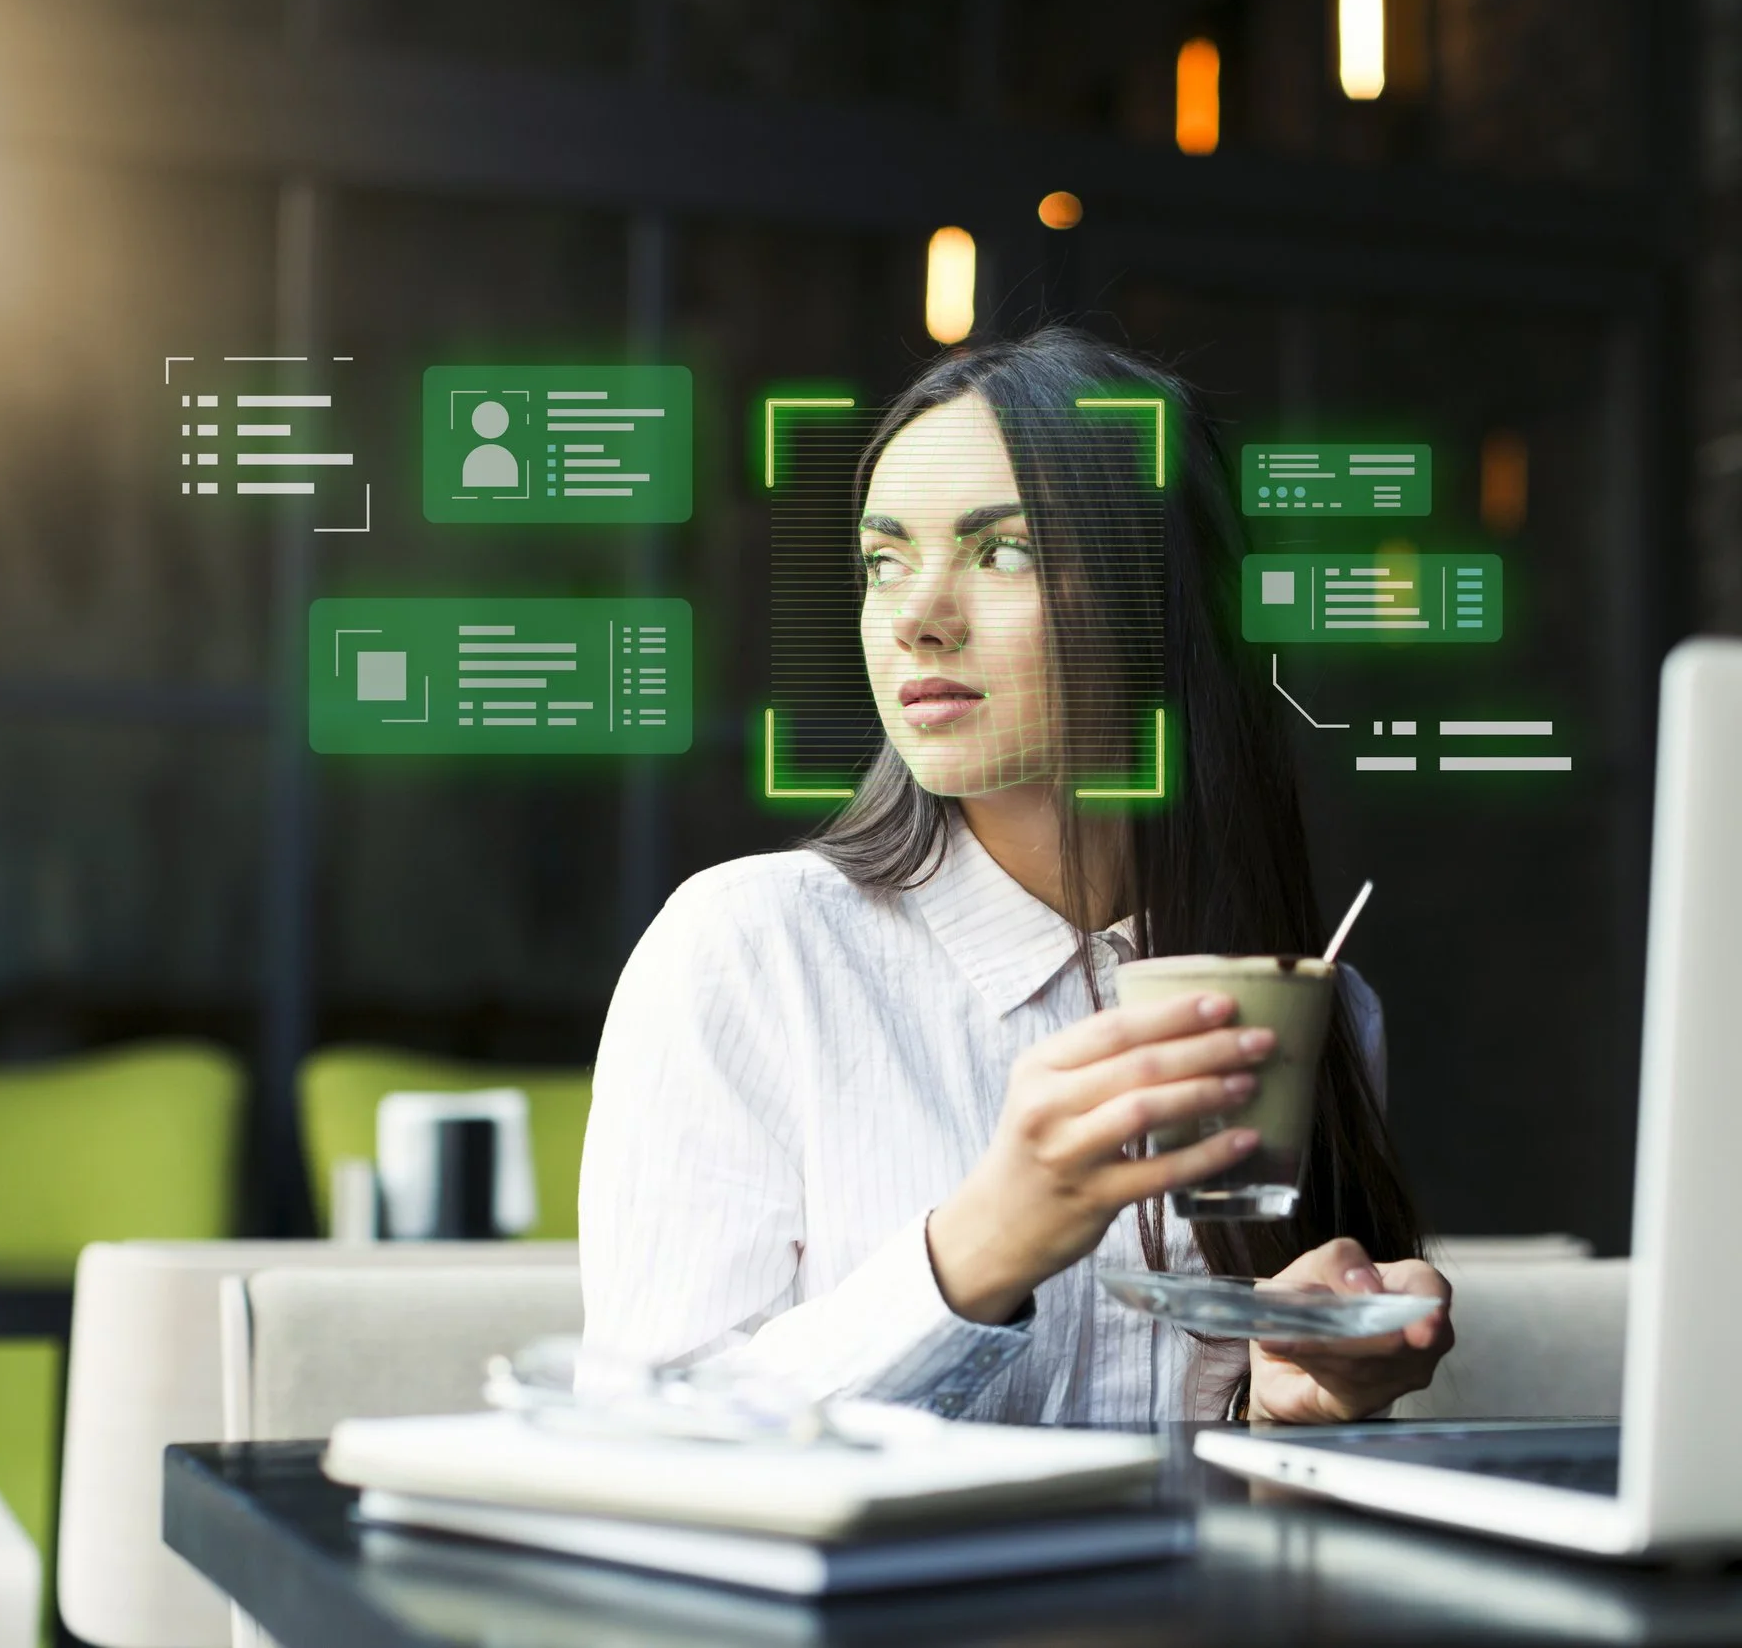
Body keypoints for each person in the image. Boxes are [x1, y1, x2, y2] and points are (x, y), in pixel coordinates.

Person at [580, 327, 1451, 1424]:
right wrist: (983, 1241)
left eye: (1003, 551)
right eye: (883, 561)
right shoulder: (748, 949)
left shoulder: (1308, 1010)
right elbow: (639, 1444)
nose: (916, 616)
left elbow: (1231, 1507)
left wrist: (1286, 1404)